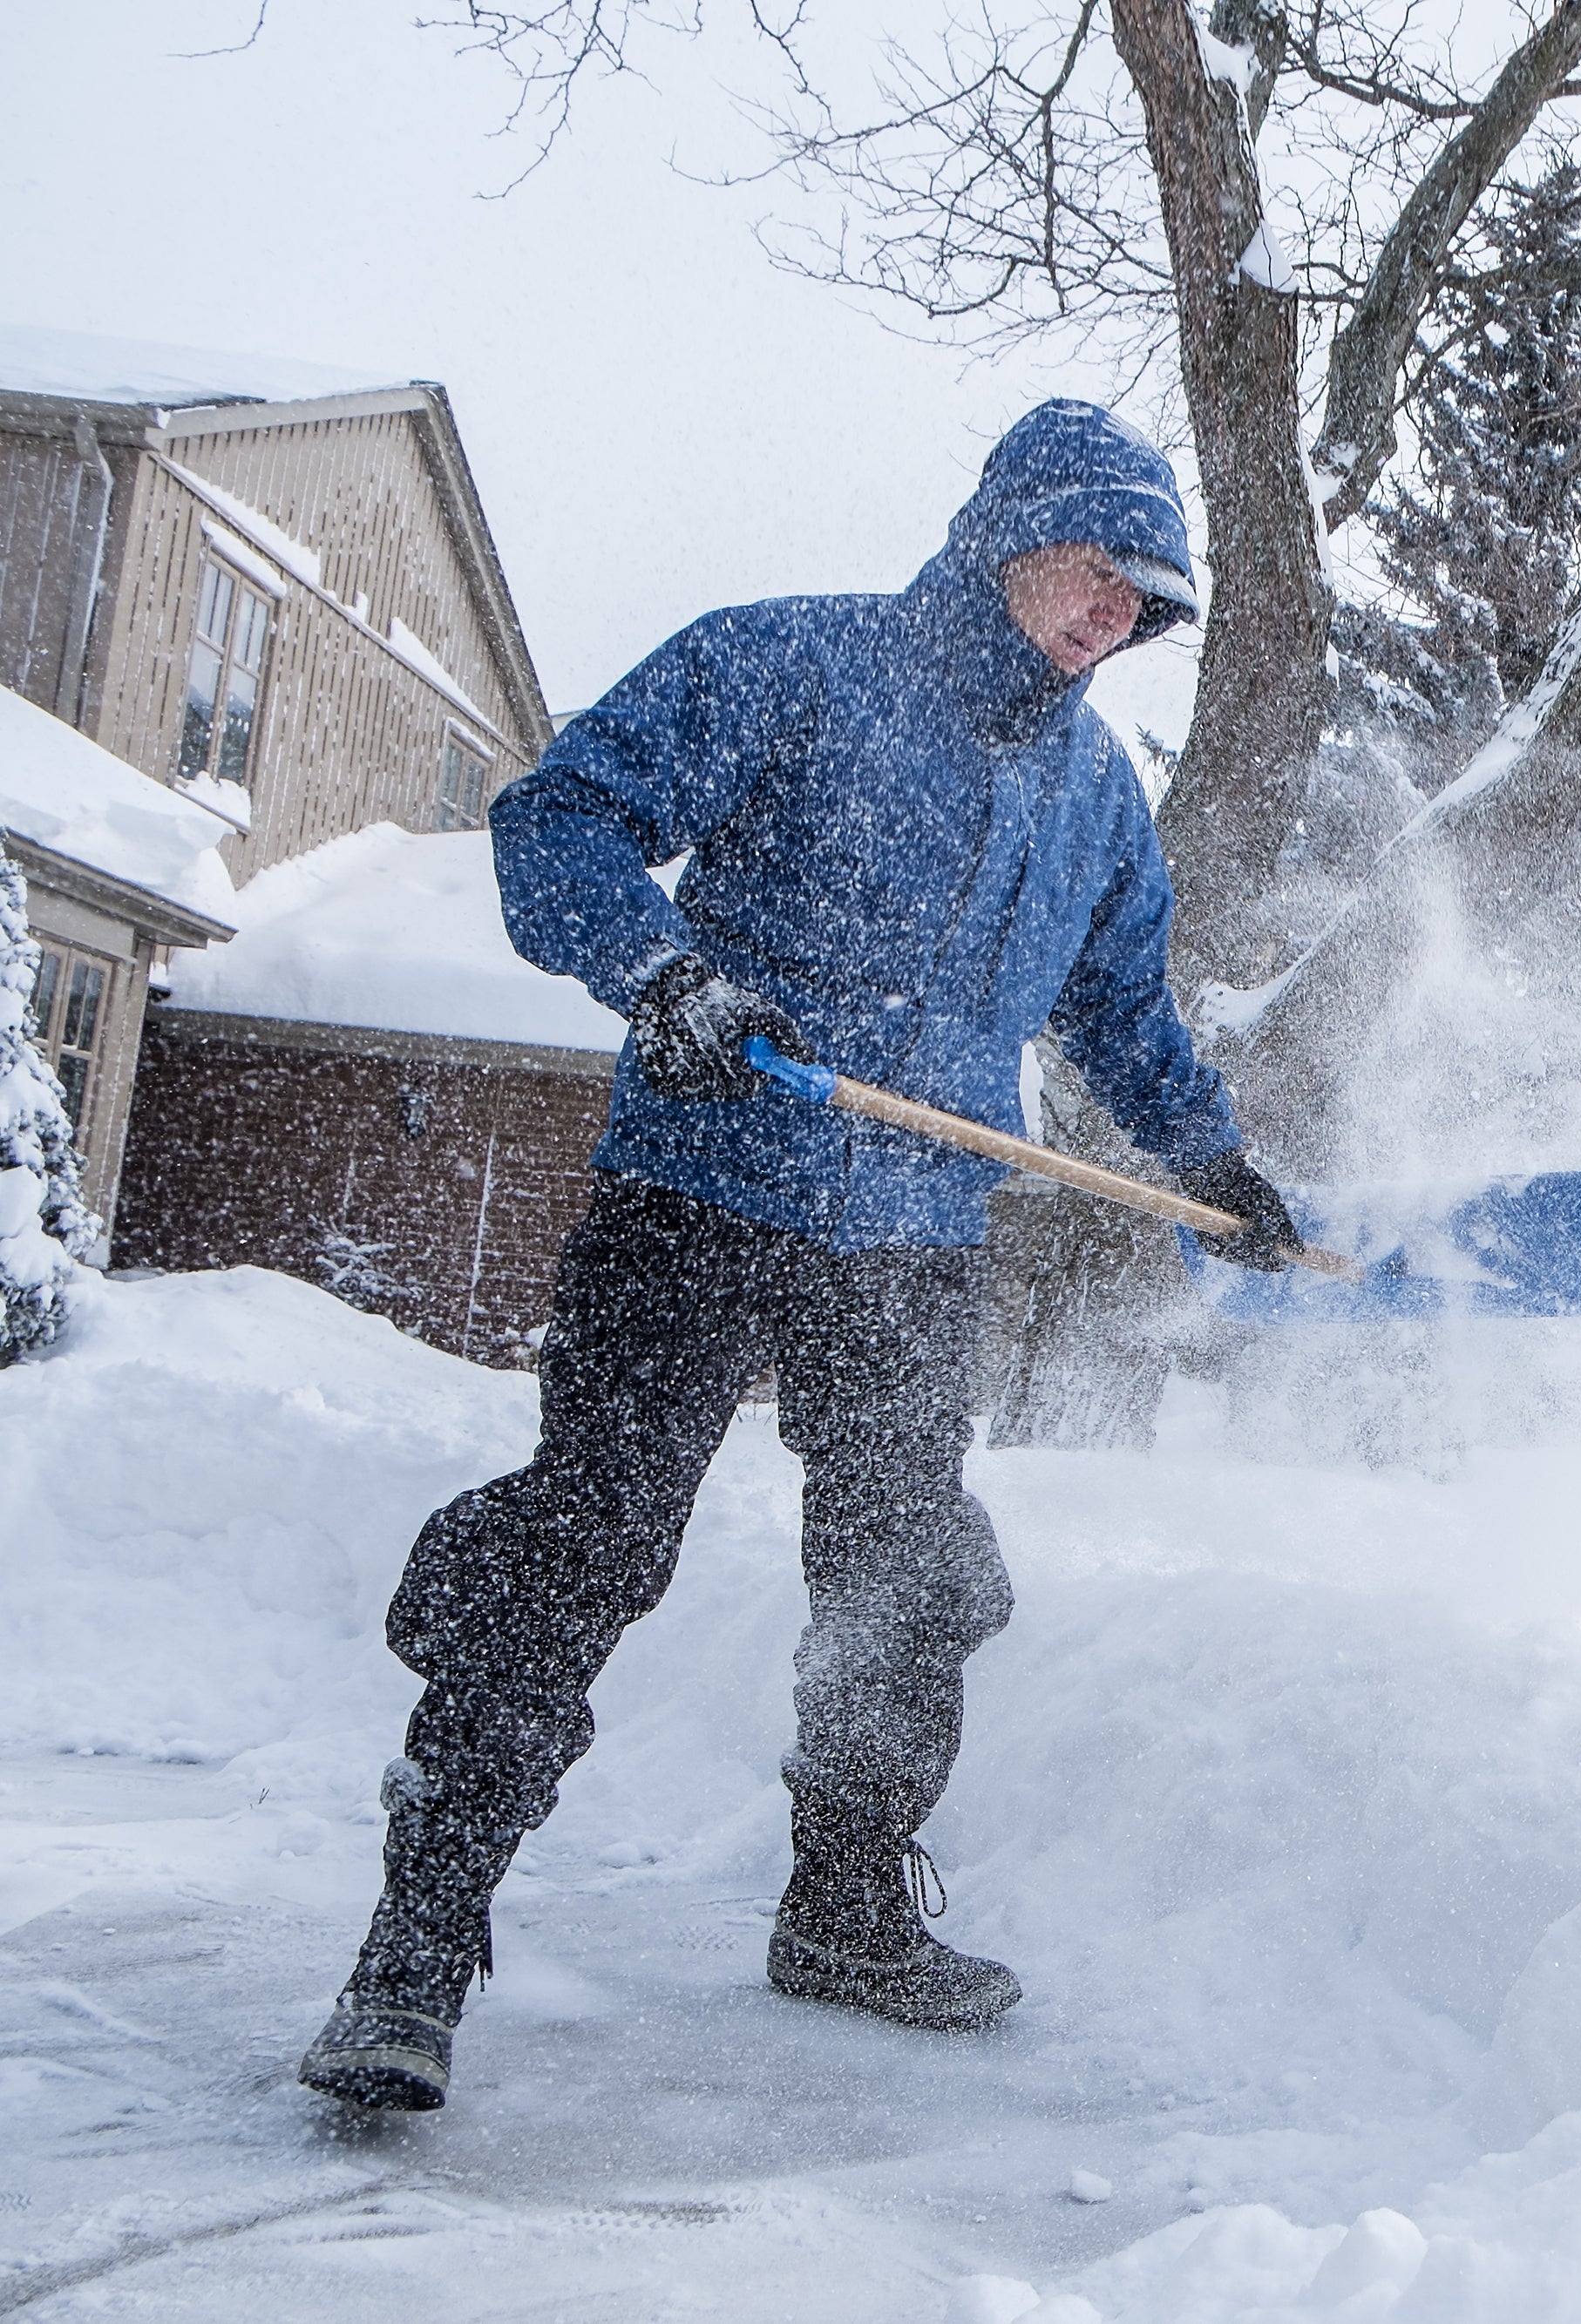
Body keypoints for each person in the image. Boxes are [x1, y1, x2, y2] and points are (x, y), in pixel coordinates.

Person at [299, 402, 1297, 2113]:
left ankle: (843, 1906)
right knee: (591, 1536)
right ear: (1008, 534)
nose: (1109, 619)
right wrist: (663, 975)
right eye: (1093, 577)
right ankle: (416, 1942)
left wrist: (1207, 1155)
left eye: (1143, 604)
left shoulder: (1091, 796)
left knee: (907, 1573)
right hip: (704, 1181)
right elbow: (565, 820)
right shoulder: (791, 665)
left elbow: (1121, 1009)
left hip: (914, 1232)